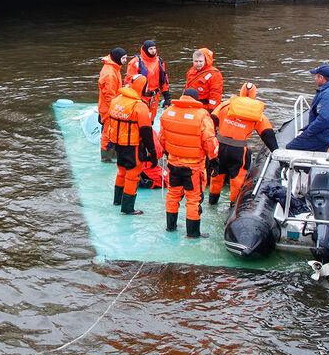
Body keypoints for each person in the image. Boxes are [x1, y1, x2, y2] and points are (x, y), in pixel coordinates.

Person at [159, 88, 219, 238]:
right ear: (196, 99)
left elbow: (162, 138)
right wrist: (214, 159)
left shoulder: (168, 113)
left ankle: (170, 227)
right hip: (193, 166)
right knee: (193, 199)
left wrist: (169, 152)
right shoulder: (202, 116)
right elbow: (210, 141)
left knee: (173, 195)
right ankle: (192, 233)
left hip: (173, 163)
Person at [210, 82, 278, 206]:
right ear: (254, 94)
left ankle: (212, 203)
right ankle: (233, 209)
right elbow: (267, 134)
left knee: (216, 177)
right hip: (238, 150)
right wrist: (276, 151)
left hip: (219, 147)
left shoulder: (225, 105)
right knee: (237, 181)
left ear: (240, 92)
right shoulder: (256, 112)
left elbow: (211, 122)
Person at [105, 74, 157, 216]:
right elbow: (146, 131)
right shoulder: (139, 106)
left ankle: (117, 200)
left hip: (118, 145)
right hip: (133, 146)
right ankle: (128, 208)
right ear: (142, 87)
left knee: (121, 171)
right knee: (132, 175)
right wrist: (152, 151)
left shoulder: (117, 100)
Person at [284, 64, 329, 151]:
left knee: (291, 148)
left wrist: (309, 132)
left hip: (321, 135)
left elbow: (325, 118)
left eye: (316, 77)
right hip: (327, 134)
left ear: (321, 77)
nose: (315, 79)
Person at [127, 39, 170, 119]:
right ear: (145, 49)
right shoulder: (135, 62)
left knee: (151, 120)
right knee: (139, 119)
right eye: (151, 49)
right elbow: (129, 82)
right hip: (141, 97)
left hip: (154, 96)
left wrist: (167, 97)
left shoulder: (159, 62)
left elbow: (164, 80)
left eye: (154, 48)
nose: (153, 51)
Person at [98, 47, 127, 162]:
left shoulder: (114, 68)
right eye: (124, 58)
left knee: (113, 132)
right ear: (117, 58)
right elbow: (109, 95)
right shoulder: (110, 74)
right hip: (109, 109)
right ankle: (106, 158)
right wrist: (115, 110)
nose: (125, 60)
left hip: (110, 106)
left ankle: (112, 155)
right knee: (108, 133)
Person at [182, 47, 223, 112]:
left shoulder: (214, 74)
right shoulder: (191, 71)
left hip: (204, 107)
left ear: (206, 61)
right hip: (190, 105)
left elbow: (216, 93)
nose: (198, 64)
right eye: (196, 61)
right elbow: (187, 87)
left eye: (200, 61)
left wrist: (212, 109)